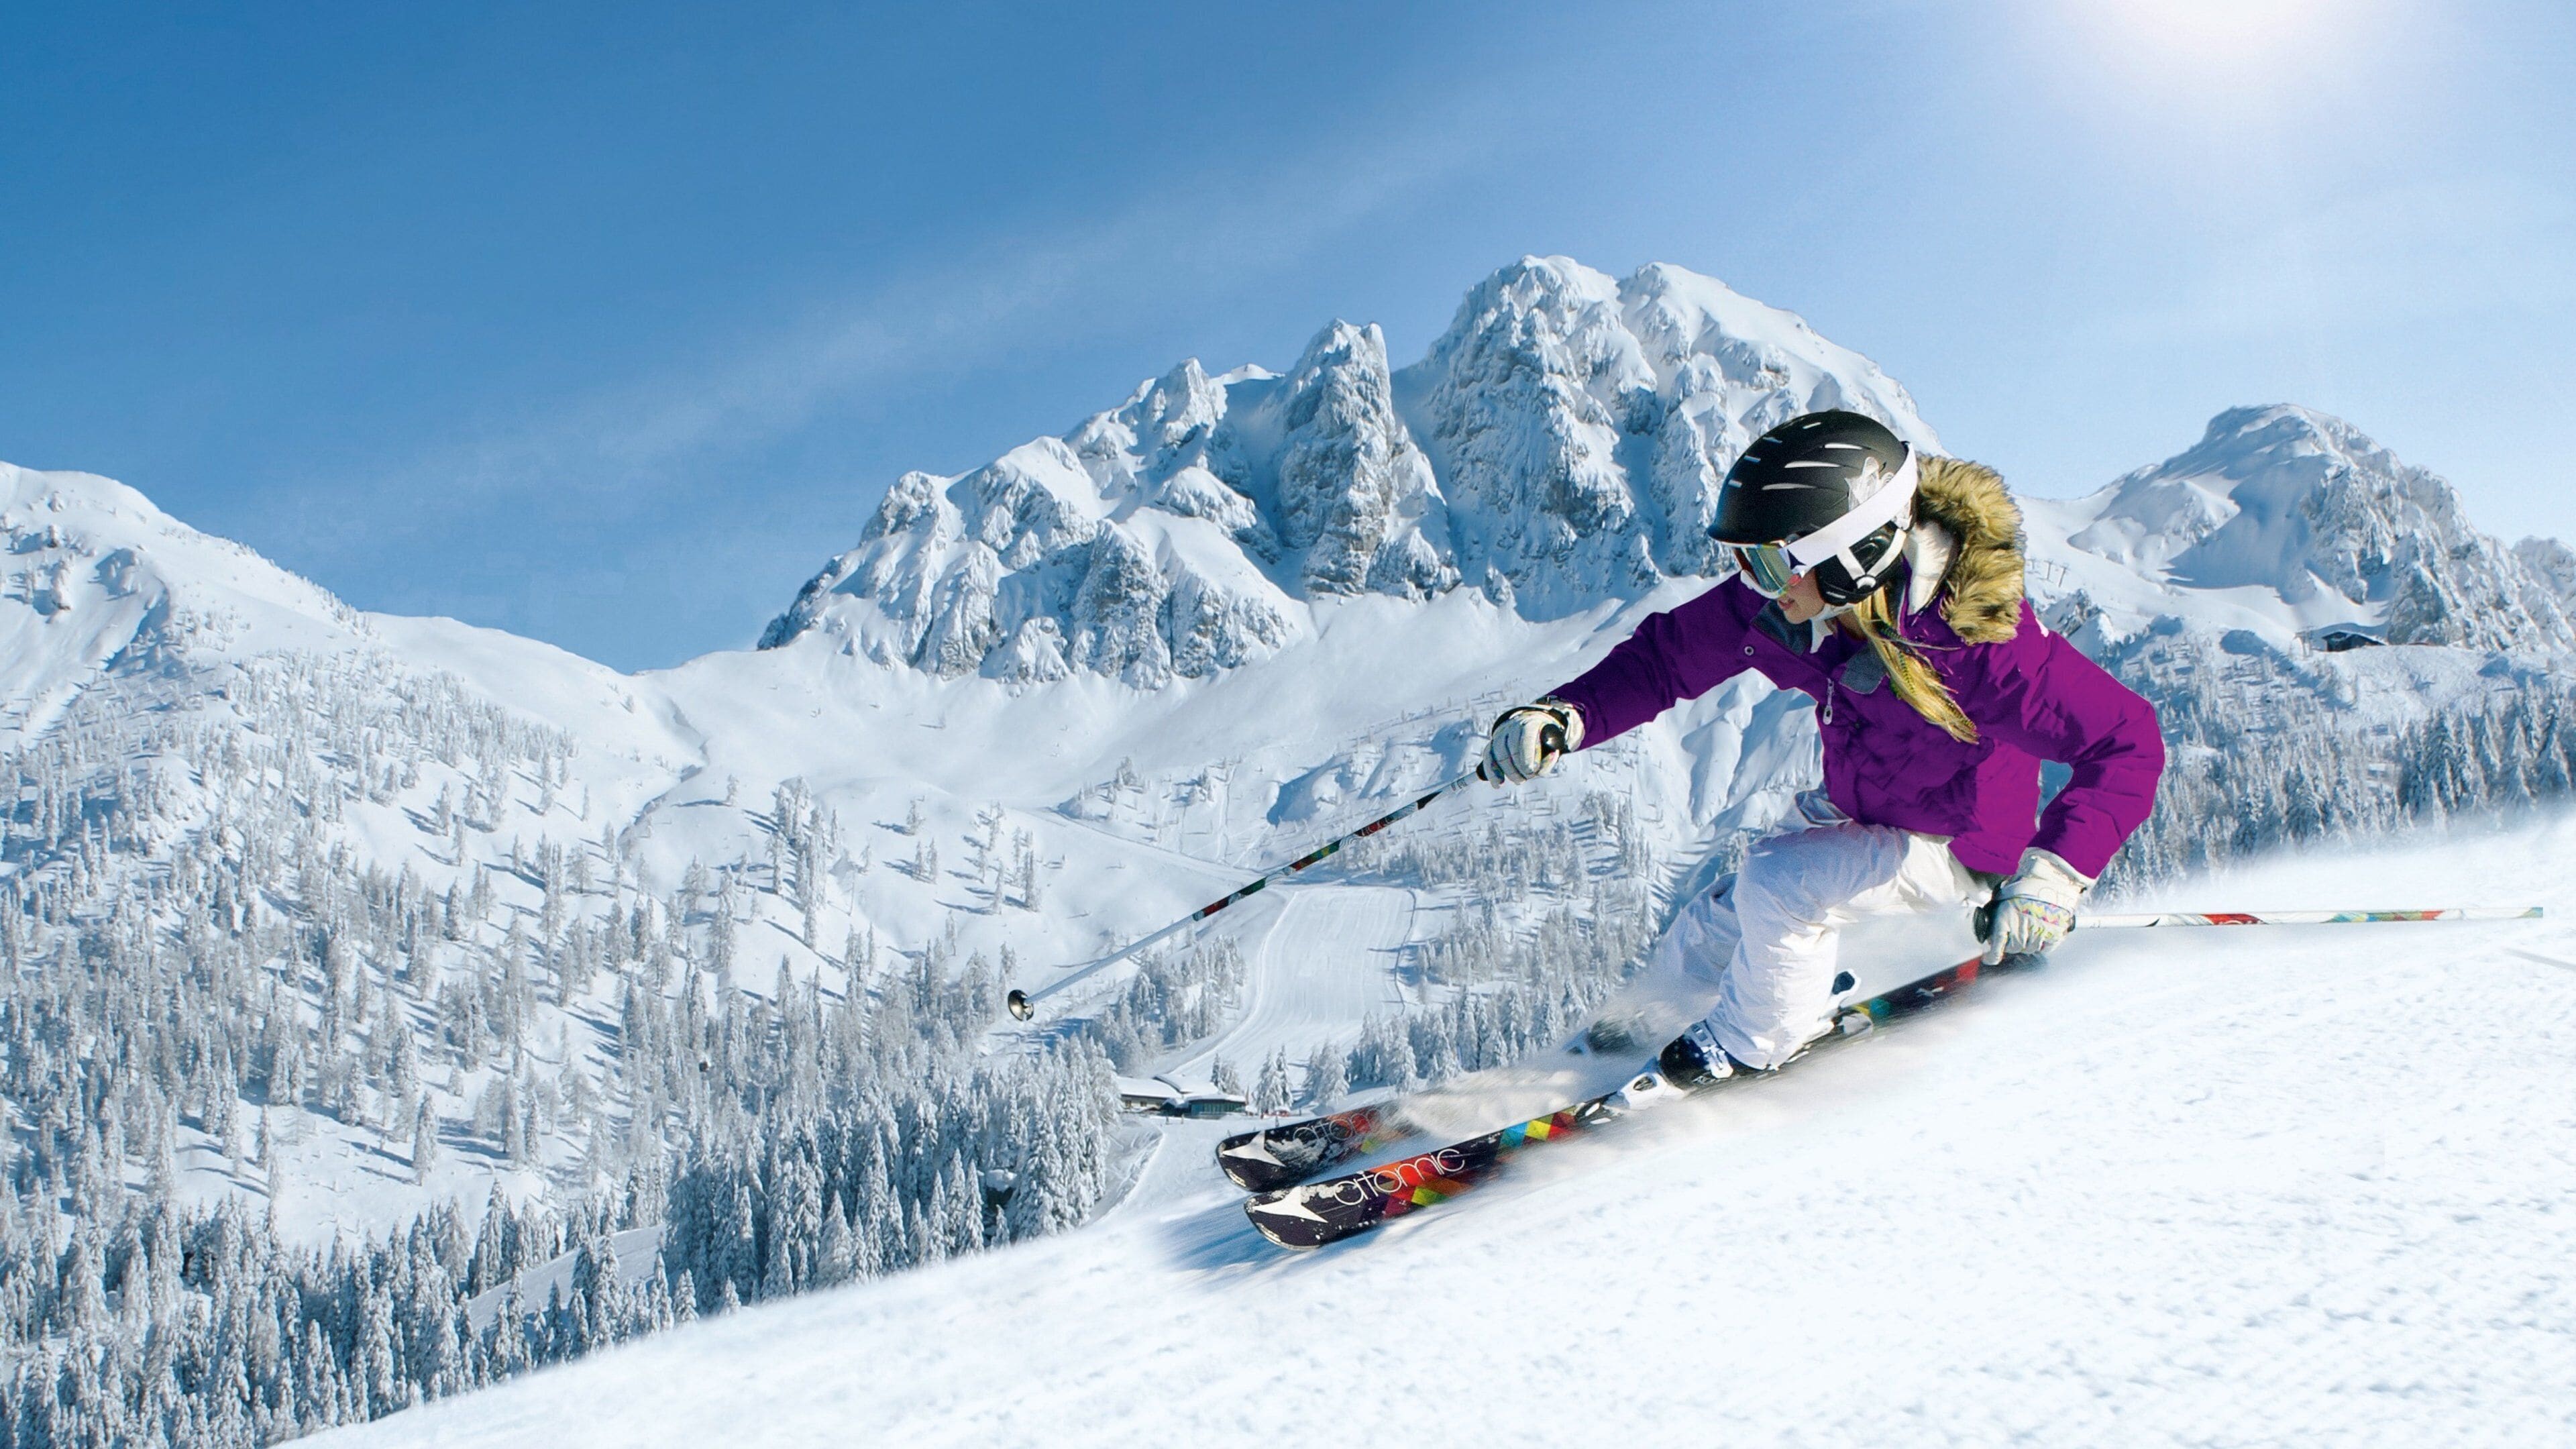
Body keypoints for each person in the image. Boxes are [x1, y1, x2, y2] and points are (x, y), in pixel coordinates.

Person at [1481, 411, 2164, 1086]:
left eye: (1771, 561)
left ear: (1855, 557)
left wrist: (2054, 877)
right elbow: (1668, 659)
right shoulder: (1795, 607)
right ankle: (1629, 1038)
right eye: (1745, 562)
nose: (1754, 582)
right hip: (1867, 812)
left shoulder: (1983, 647)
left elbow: (2127, 740)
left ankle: (1753, 1045)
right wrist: (1569, 715)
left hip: (1959, 849)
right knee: (1714, 923)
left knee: (1782, 884)